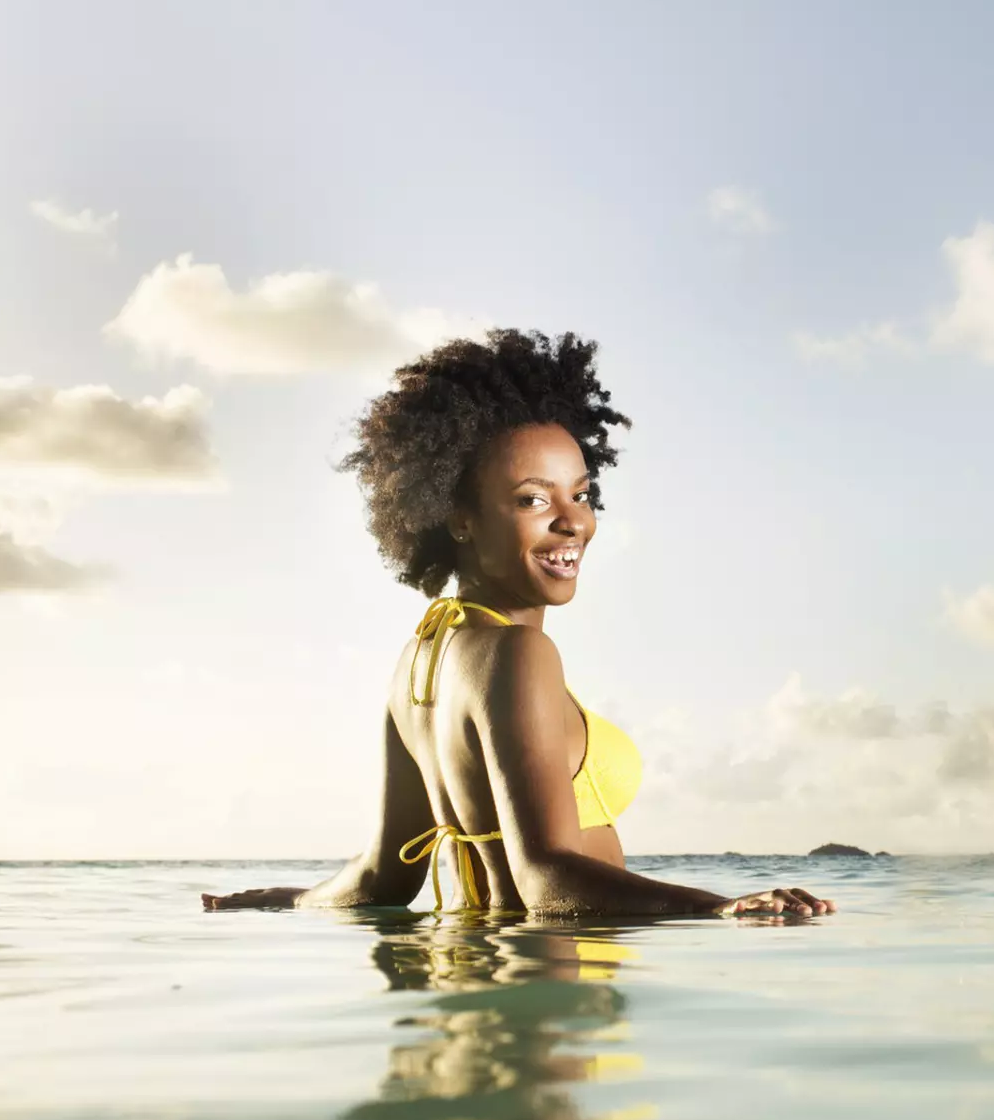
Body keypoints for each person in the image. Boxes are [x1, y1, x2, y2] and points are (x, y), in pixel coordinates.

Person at [202, 328, 834, 920]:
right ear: (458, 518)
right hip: (554, 1014)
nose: (572, 522)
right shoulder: (517, 653)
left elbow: (381, 879)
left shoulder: (419, 663)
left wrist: (291, 901)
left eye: (580, 494)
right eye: (533, 499)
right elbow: (545, 877)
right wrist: (718, 909)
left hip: (478, 1010)